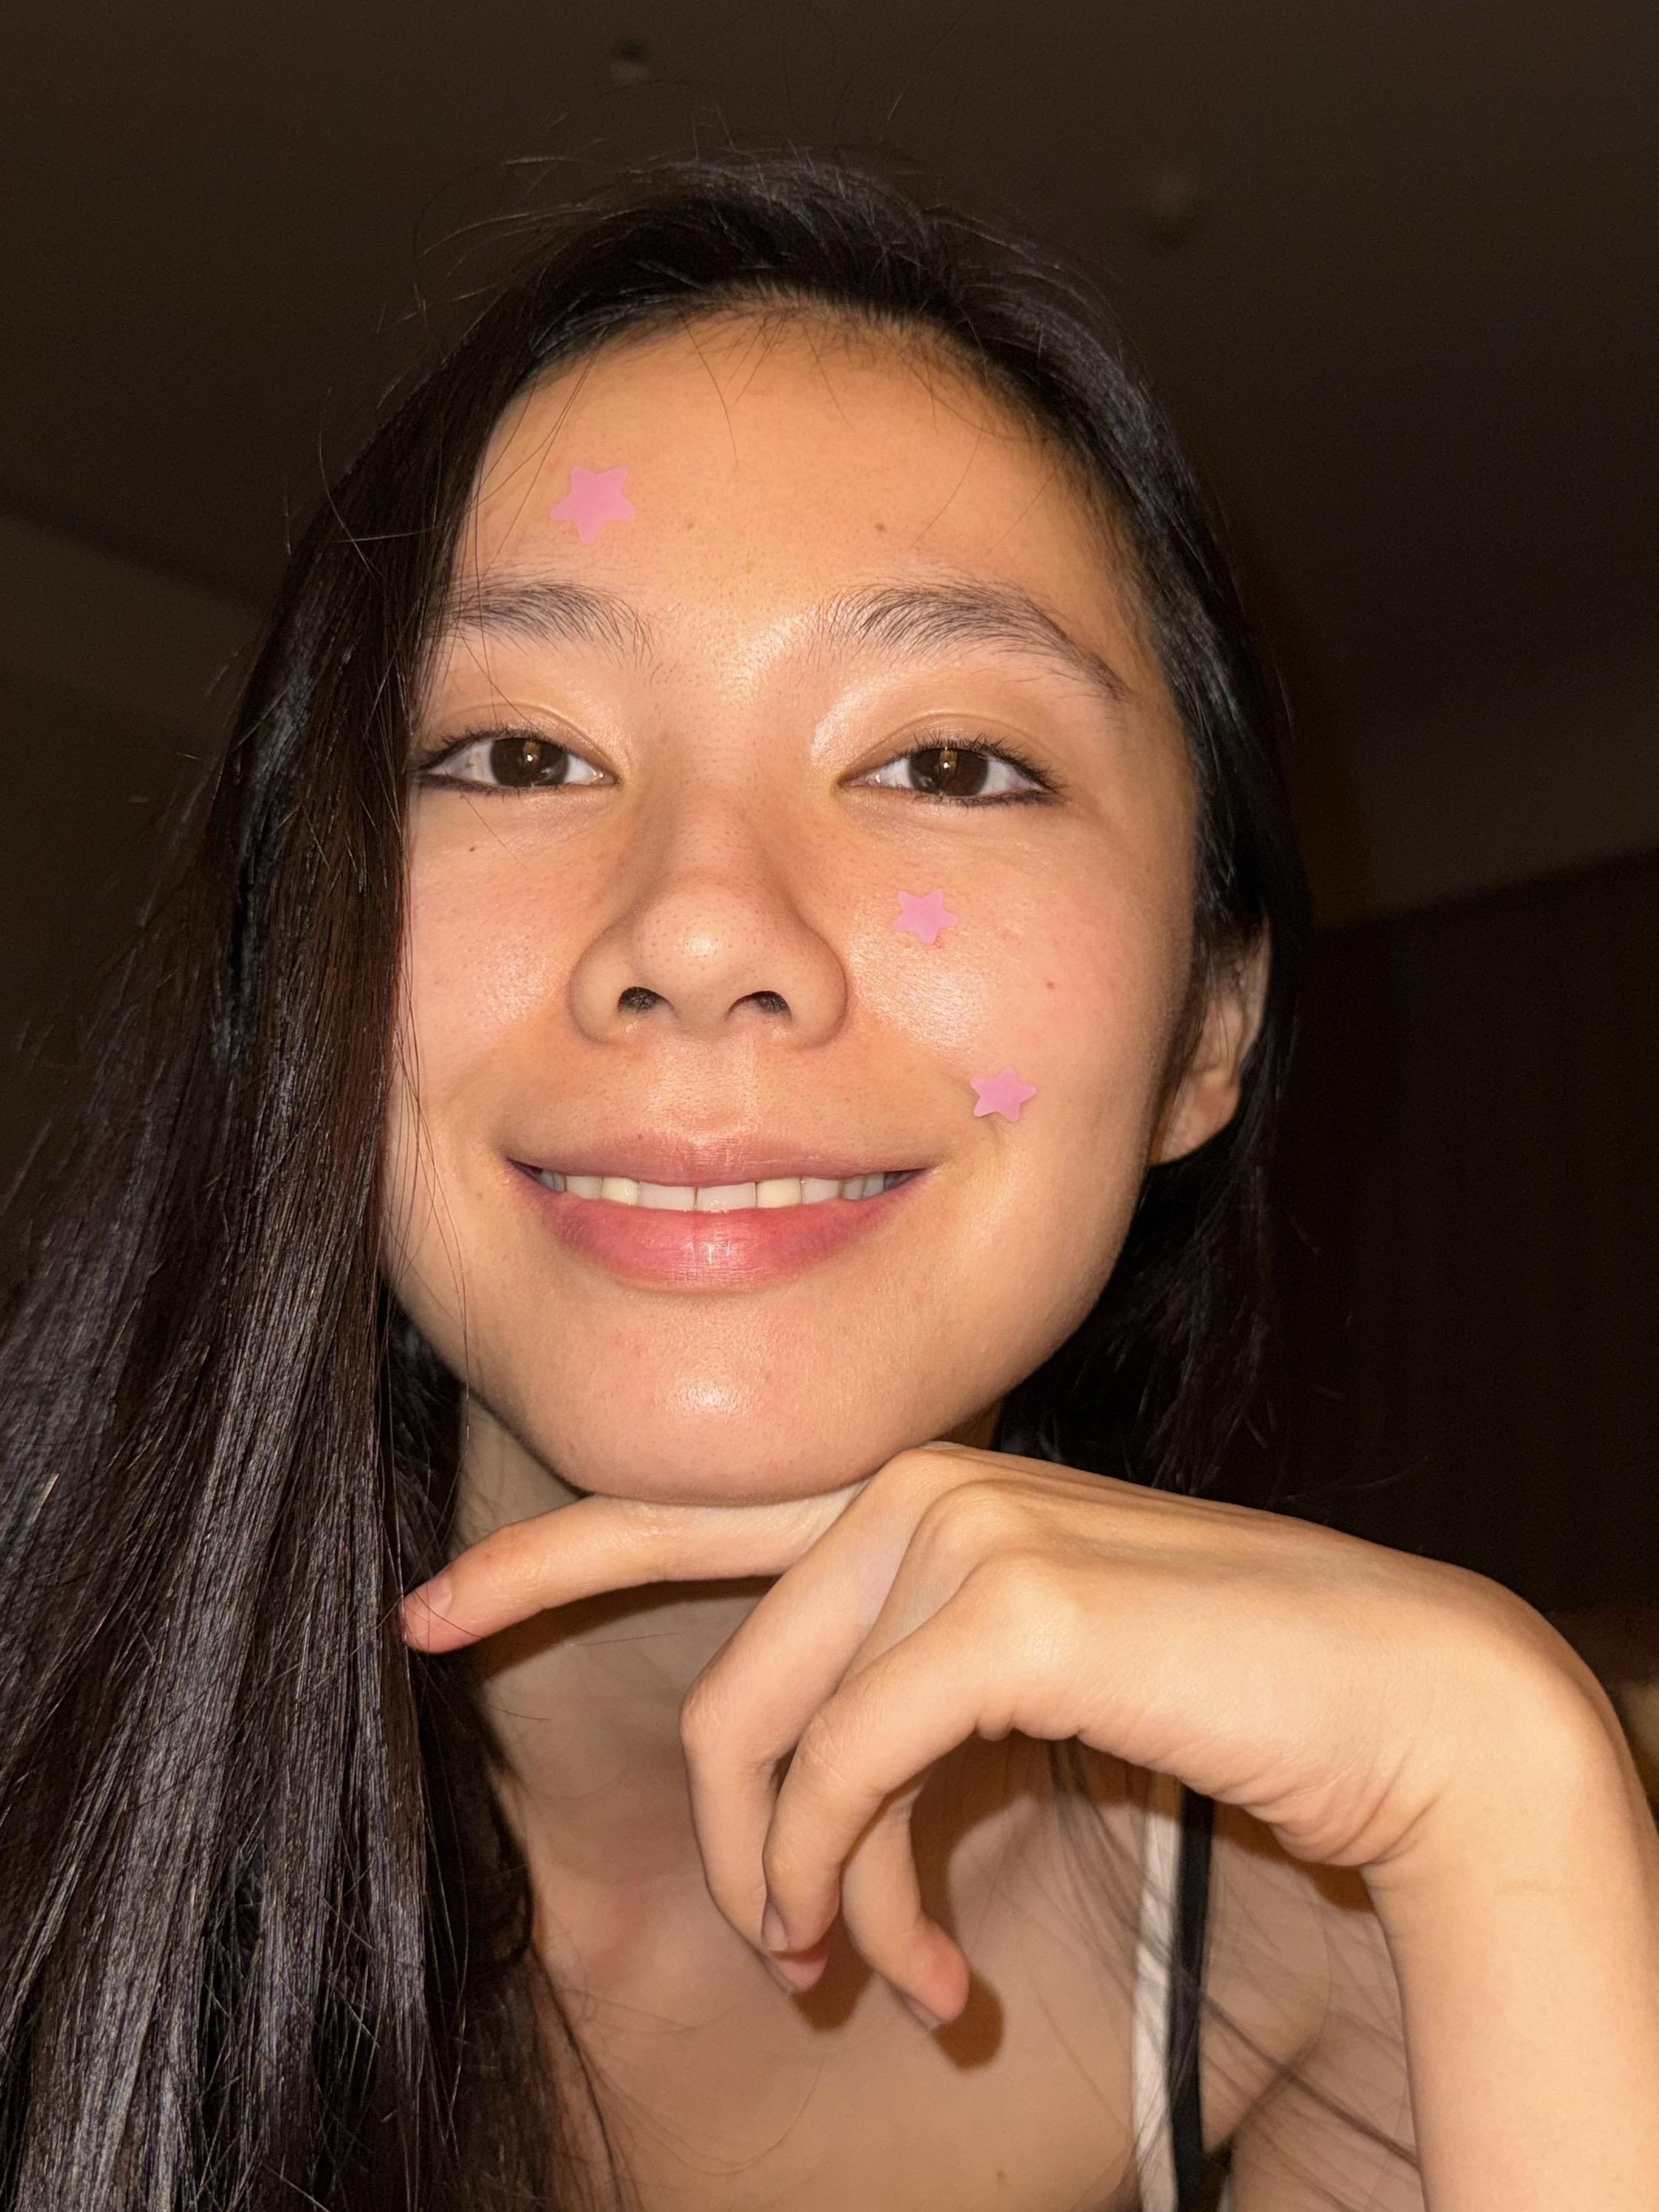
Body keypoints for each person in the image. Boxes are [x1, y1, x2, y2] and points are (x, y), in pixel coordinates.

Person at [1, 148, 1654, 2212]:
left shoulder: (1368, 1953)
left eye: (947, 762)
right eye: (516, 754)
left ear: (1206, 1030)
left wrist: (1515, 1784)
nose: (702, 930)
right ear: (303, 959)